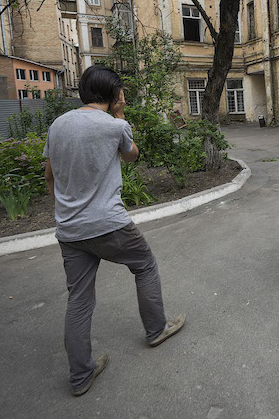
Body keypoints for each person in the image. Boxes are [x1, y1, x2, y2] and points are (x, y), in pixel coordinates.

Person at [44, 66, 185, 396]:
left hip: (70, 230)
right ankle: (156, 330)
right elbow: (133, 156)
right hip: (109, 224)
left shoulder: (57, 125)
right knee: (145, 265)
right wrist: (120, 114)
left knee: (79, 299)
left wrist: (67, 211)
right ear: (114, 93)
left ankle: (80, 376)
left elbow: (49, 176)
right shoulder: (115, 125)